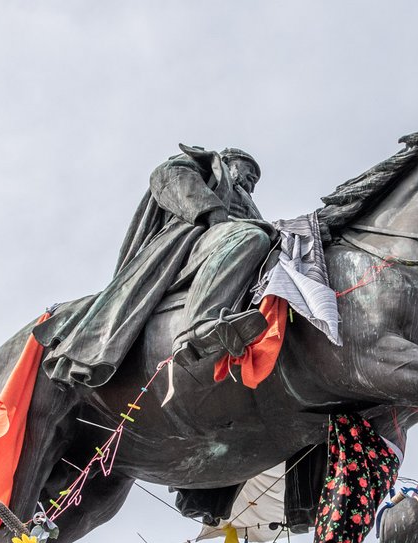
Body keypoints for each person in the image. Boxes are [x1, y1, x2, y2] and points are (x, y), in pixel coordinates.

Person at [34, 145, 275, 386]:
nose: (251, 182)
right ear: (229, 162)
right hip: (196, 237)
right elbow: (168, 175)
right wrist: (210, 212)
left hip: (229, 243)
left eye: (255, 180)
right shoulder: (208, 165)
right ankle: (200, 325)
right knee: (250, 237)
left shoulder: (250, 204)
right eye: (248, 173)